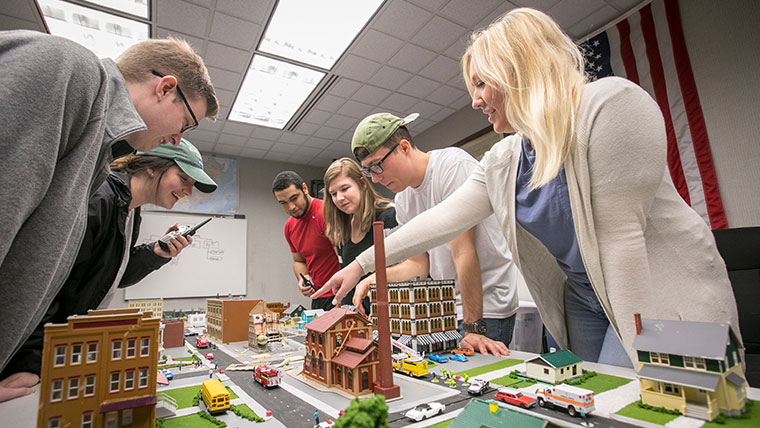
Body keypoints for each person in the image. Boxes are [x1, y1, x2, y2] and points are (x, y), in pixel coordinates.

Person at [318, 8, 740, 367]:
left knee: (641, 404)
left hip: (652, 292)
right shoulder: (506, 158)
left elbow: (620, 244)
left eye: (482, 84)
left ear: (519, 70)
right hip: (583, 297)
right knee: (587, 401)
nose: (475, 101)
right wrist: (360, 267)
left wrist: (645, 367)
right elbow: (441, 221)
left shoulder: (610, 106)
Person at [0, 30, 218, 396]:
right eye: (185, 124)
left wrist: (153, 255)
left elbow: (80, 276)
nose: (178, 138)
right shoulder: (69, 69)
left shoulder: (103, 173)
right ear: (166, 88)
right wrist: (32, 357)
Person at [0, 140, 217, 393]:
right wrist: (31, 361)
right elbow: (43, 281)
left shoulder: (130, 211)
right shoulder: (100, 199)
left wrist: (156, 252)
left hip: (59, 350)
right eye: (183, 178)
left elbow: (110, 275)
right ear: (152, 167)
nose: (188, 191)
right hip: (34, 357)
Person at [329, 112, 522, 356]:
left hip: (487, 309)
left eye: (378, 165)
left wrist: (473, 327)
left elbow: (463, 252)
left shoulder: (452, 166)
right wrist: (373, 278)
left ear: (404, 147)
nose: (376, 178)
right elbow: (418, 265)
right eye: (369, 171)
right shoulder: (404, 199)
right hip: (450, 312)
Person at [322, 158, 398, 315]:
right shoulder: (342, 231)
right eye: (333, 194)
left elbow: (414, 267)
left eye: (345, 189)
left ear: (363, 183)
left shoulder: (389, 216)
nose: (339, 198)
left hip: (392, 317)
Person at [273, 171, 340, 311]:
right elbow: (299, 261)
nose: (291, 207)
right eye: (283, 203)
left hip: (339, 294)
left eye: (294, 198)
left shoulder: (326, 212)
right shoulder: (289, 227)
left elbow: (343, 258)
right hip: (317, 297)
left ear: (304, 188)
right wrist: (302, 279)